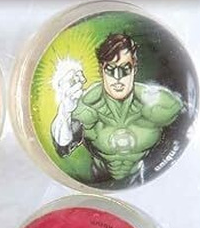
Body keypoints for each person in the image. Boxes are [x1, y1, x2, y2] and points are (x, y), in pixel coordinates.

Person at [51, 33, 184, 184]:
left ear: (134, 69)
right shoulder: (88, 105)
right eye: (110, 69)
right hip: (97, 181)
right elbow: (63, 146)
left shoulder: (159, 104)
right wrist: (64, 112)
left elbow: (184, 128)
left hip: (145, 179)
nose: (118, 77)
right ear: (101, 70)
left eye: (125, 69)